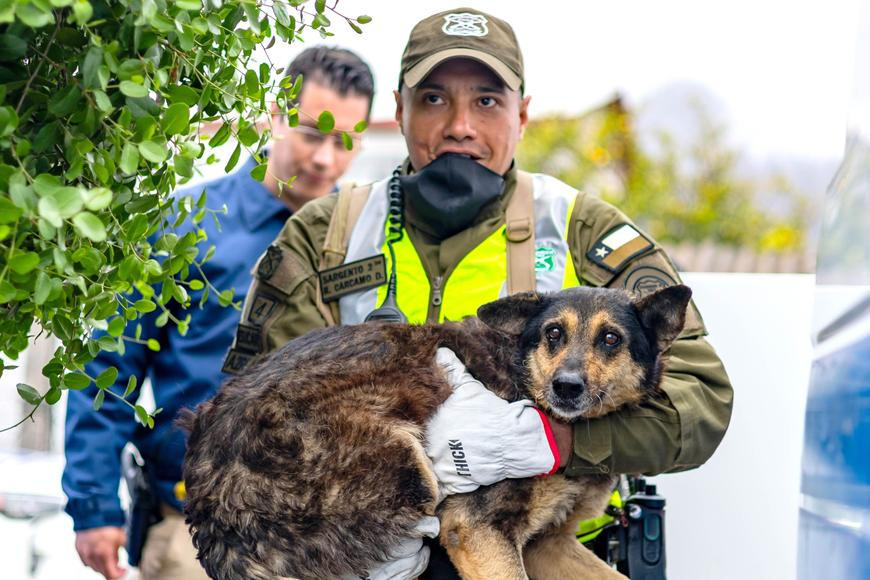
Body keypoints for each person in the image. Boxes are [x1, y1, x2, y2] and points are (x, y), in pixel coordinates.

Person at [227, 7, 734, 578]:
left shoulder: (581, 228)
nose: (460, 125)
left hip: (539, 552)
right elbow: (251, 418)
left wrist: (555, 443)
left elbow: (703, 401)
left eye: (488, 101)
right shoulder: (325, 234)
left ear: (522, 114)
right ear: (400, 109)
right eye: (435, 99)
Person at [62, 46, 375, 580]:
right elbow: (110, 365)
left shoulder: (368, 234)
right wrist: (94, 506)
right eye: (311, 132)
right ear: (274, 116)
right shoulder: (187, 224)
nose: (326, 158)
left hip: (334, 541)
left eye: (344, 140)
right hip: (197, 530)